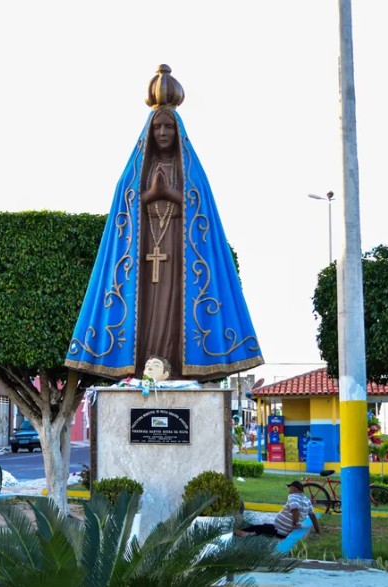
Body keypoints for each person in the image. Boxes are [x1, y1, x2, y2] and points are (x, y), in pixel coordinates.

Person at [66, 64, 264, 382]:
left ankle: (173, 364)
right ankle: (145, 365)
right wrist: (149, 196)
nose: (162, 133)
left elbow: (202, 209)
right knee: (145, 306)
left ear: (177, 131)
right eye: (157, 127)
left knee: (176, 305)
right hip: (143, 250)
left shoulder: (190, 171)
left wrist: (170, 194)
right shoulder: (137, 171)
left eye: (168, 127)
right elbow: (124, 207)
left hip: (180, 249)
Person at [234, 480, 321, 539]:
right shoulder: (307, 501)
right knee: (263, 527)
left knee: (263, 528)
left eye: (290, 489)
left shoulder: (293, 496)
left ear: (294, 489)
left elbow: (296, 509)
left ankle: (241, 533)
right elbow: (313, 517)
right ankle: (246, 532)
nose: (289, 491)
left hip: (279, 531)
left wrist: (294, 524)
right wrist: (318, 531)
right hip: (283, 531)